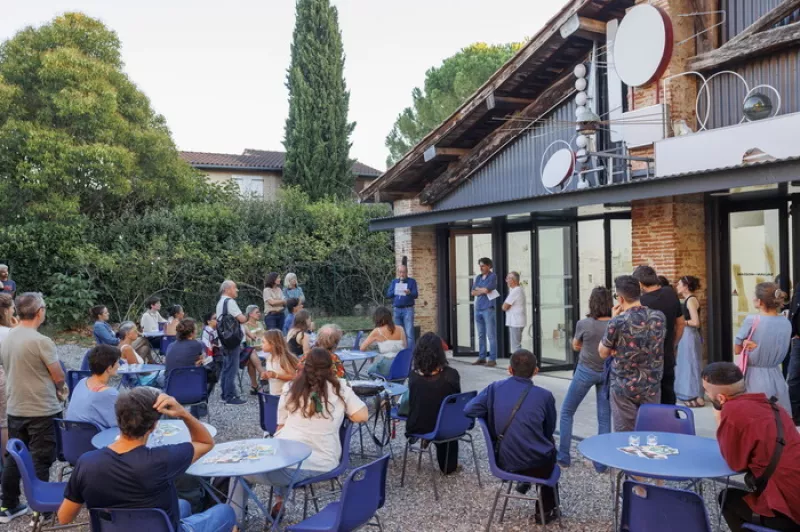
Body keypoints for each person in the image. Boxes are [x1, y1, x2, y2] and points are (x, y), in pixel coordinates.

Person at [57, 387, 236, 532]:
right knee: (225, 512)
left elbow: (64, 517)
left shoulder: (87, 463)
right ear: (154, 426)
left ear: (118, 419)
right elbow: (205, 442)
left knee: (184, 505)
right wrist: (183, 413)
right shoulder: (162, 459)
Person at [247, 348, 367, 519]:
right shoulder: (340, 388)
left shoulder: (290, 387)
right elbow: (362, 415)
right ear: (331, 367)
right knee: (261, 465)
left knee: (241, 470)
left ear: (304, 365)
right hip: (321, 458)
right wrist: (343, 412)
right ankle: (280, 501)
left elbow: (279, 426)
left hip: (299, 461)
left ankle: (234, 519)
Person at [702, 362, 800, 532]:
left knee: (727, 498)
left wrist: (720, 420)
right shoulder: (774, 407)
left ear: (721, 398)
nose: (704, 393)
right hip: (794, 493)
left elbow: (735, 463)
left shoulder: (733, 413)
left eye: (706, 391)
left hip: (788, 511)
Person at [465, 349, 559, 524]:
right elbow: (549, 430)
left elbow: (469, 409)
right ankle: (545, 512)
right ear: (536, 371)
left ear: (509, 369)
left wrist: (494, 415)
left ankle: (524, 483)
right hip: (536, 464)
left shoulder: (494, 389)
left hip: (503, 460)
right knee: (550, 451)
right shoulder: (545, 396)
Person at [0, 292, 67, 523]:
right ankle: (43, 510)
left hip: (15, 406)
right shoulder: (41, 341)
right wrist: (61, 390)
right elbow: (57, 375)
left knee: (13, 456)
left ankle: (8, 505)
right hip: (41, 409)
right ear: (40, 311)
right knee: (41, 459)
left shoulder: (8, 337)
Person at [598, 275, 666, 432]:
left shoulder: (618, 321)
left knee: (625, 436)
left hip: (624, 386)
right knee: (650, 433)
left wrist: (613, 324)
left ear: (620, 298)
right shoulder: (659, 317)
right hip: (652, 384)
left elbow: (602, 352)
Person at [557, 286, 612, 468]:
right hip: (607, 372)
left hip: (586, 371)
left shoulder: (584, 324)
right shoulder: (615, 323)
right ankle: (601, 464)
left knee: (567, 412)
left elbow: (575, 345)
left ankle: (563, 457)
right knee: (604, 418)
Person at [406, 332, 461, 474]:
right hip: (447, 426)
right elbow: (457, 401)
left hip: (421, 424)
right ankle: (448, 466)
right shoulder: (452, 375)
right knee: (447, 419)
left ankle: (429, 439)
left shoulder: (413, 377)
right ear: (440, 353)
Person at [735, 282, 791, 413]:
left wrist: (745, 344)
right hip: (777, 376)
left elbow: (737, 350)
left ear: (760, 301)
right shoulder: (786, 322)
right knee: (777, 418)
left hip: (753, 377)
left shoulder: (752, 320)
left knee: (756, 418)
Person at [633, 265, 685, 405]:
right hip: (667, 355)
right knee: (668, 397)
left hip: (648, 361)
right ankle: (671, 425)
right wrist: (673, 344)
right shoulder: (670, 293)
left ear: (639, 283)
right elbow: (681, 323)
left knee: (650, 401)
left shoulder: (642, 303)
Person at [66, 345, 121, 430]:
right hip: (95, 441)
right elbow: (121, 425)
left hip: (71, 439)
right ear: (109, 368)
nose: (119, 365)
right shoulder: (109, 393)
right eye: (117, 362)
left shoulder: (81, 383)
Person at [216, 280, 248, 405]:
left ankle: (225, 394)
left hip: (224, 339)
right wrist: (247, 316)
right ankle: (230, 396)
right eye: (235, 288)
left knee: (226, 367)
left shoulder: (220, 302)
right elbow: (241, 319)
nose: (237, 290)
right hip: (232, 340)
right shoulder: (230, 302)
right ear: (227, 289)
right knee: (232, 368)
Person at [676, 275, 704, 408]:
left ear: (686, 286)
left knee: (690, 363)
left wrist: (681, 322)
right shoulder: (688, 299)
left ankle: (692, 395)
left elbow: (696, 322)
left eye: (679, 284)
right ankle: (692, 394)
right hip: (686, 334)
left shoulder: (691, 300)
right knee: (688, 363)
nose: (677, 286)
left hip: (689, 334)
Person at [359, 306, 406, 377]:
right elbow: (405, 347)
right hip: (402, 367)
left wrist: (370, 354)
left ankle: (380, 386)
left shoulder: (377, 331)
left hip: (387, 367)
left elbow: (362, 348)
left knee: (369, 371)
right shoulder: (401, 329)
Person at [471, 257, 498, 367]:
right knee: (481, 335)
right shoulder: (478, 277)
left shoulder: (493, 276)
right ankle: (482, 358)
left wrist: (480, 289)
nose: (481, 268)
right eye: (480, 266)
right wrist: (483, 290)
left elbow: (488, 289)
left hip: (488, 308)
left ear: (488, 266)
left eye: (483, 265)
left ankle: (492, 359)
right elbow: (473, 292)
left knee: (490, 335)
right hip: (478, 308)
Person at [118, 321, 160, 387]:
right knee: (167, 374)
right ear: (127, 334)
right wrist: (154, 370)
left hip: (140, 378)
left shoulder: (123, 345)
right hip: (140, 381)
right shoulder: (127, 349)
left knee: (145, 348)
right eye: (135, 331)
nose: (137, 332)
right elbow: (137, 370)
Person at [386, 264, 418, 349]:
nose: (402, 274)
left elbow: (416, 295)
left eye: (403, 272)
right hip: (397, 310)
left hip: (408, 310)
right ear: (398, 273)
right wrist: (395, 290)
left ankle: (411, 354)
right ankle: (401, 353)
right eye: (400, 272)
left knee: (409, 333)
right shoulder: (394, 282)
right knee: (399, 333)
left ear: (407, 272)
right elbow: (388, 294)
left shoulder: (412, 281)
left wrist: (409, 293)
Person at [0, 294, 16, 458]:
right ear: (5, 311)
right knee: (4, 422)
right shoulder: (10, 333)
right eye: (12, 308)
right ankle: (7, 460)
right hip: (3, 375)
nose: (13, 311)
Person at [262, 330, 299, 396]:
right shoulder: (269, 357)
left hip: (285, 395)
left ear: (272, 344)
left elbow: (294, 376)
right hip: (274, 393)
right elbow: (272, 374)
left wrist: (276, 375)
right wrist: (266, 375)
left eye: (263, 342)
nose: (261, 345)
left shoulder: (283, 359)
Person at [502, 271, 527, 352]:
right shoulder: (516, 290)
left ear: (513, 280)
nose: (506, 281)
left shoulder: (516, 291)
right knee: (516, 345)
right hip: (516, 321)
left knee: (516, 346)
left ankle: (520, 364)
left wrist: (505, 306)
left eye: (508, 278)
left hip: (516, 322)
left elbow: (504, 307)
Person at [788, 283, 800, 422]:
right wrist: (794, 332)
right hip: (798, 341)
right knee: (794, 377)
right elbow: (794, 311)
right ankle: (796, 415)